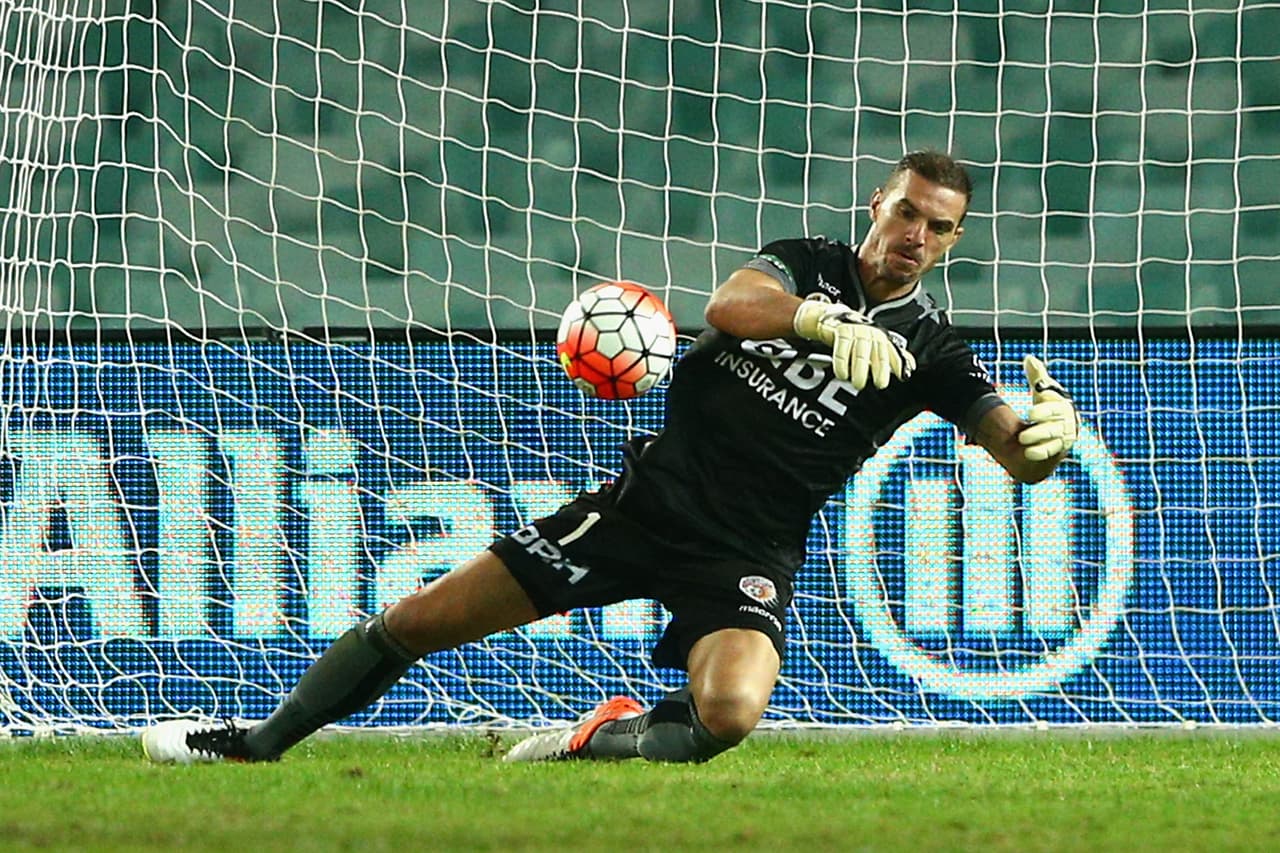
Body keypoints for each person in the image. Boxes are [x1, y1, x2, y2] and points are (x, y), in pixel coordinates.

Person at [141, 150, 1079, 765]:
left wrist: (1049, 436)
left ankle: (596, 739)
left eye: (938, 227)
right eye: (907, 211)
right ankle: (256, 742)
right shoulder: (804, 262)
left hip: (745, 551)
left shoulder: (935, 350)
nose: (915, 236)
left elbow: (1014, 449)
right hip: (639, 508)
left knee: (730, 715)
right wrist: (818, 321)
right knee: (418, 620)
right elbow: (728, 305)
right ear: (878, 203)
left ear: (954, 239)